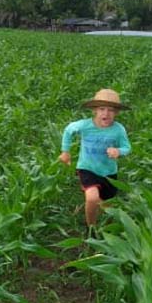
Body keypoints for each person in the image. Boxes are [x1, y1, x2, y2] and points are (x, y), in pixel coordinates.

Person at [58, 88, 131, 236]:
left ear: (116, 113)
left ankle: (108, 230)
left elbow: (127, 147)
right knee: (92, 197)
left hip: (109, 172)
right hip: (87, 168)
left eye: (111, 110)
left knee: (107, 206)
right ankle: (91, 228)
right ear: (94, 111)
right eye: (102, 109)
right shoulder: (85, 125)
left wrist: (119, 151)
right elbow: (68, 130)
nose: (106, 113)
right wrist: (65, 152)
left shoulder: (118, 130)